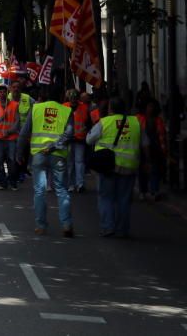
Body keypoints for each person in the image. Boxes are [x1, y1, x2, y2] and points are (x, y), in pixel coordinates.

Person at [88, 97, 148, 238]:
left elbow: (88, 139)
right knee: (124, 200)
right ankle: (122, 230)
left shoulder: (104, 122)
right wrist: (147, 162)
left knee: (106, 198)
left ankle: (108, 227)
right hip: (129, 166)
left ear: (110, 109)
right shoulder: (136, 122)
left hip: (108, 166)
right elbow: (145, 144)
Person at [17, 86, 74, 237]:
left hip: (38, 155)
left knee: (39, 191)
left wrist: (18, 152)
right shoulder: (66, 111)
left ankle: (41, 226)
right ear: (61, 96)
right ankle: (66, 224)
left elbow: (24, 132)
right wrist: (54, 146)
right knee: (62, 190)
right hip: (58, 155)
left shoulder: (36, 109)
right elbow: (69, 134)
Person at [67, 90, 91, 193]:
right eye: (71, 99)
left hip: (80, 139)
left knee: (79, 162)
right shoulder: (64, 107)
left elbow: (88, 123)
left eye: (75, 99)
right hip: (68, 139)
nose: (73, 101)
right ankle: (70, 184)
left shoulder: (84, 108)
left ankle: (79, 184)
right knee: (70, 163)